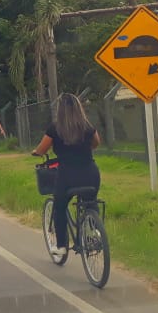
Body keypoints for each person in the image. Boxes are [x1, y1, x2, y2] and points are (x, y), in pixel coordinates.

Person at [30, 93, 101, 256]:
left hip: (67, 177)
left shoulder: (54, 129)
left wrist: (36, 152)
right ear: (79, 108)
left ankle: (62, 246)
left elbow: (42, 149)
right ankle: (96, 232)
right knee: (90, 201)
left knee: (60, 207)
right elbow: (96, 143)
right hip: (90, 173)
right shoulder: (87, 127)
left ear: (60, 110)